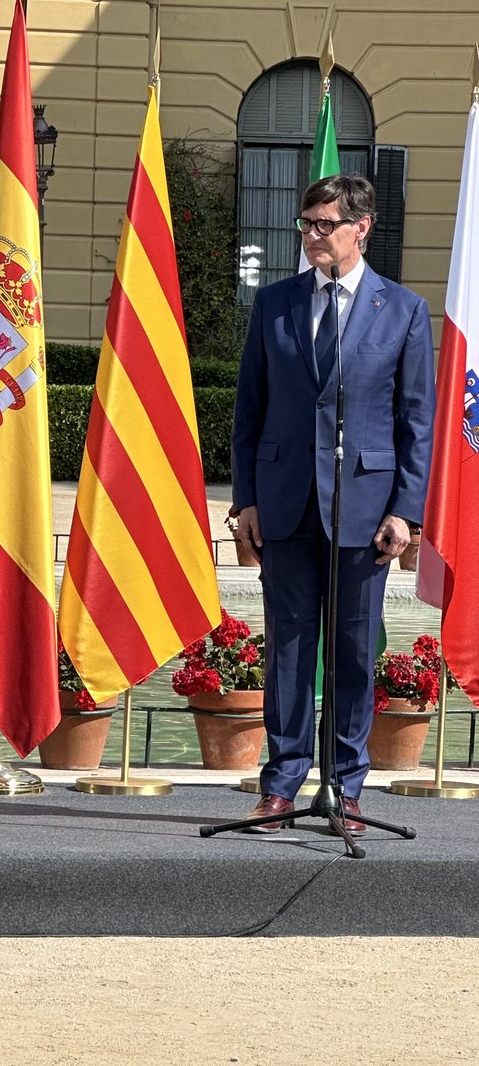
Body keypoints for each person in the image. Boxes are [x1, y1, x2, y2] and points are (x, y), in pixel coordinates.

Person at [231, 174, 435, 835]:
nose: (313, 236)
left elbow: (416, 421)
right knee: (288, 653)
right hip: (286, 506)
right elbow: (249, 412)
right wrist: (247, 500)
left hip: (366, 512)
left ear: (361, 227)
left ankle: (345, 789)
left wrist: (406, 509)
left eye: (325, 225)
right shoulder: (275, 305)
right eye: (307, 224)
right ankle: (281, 786)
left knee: (351, 653)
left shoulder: (401, 310)